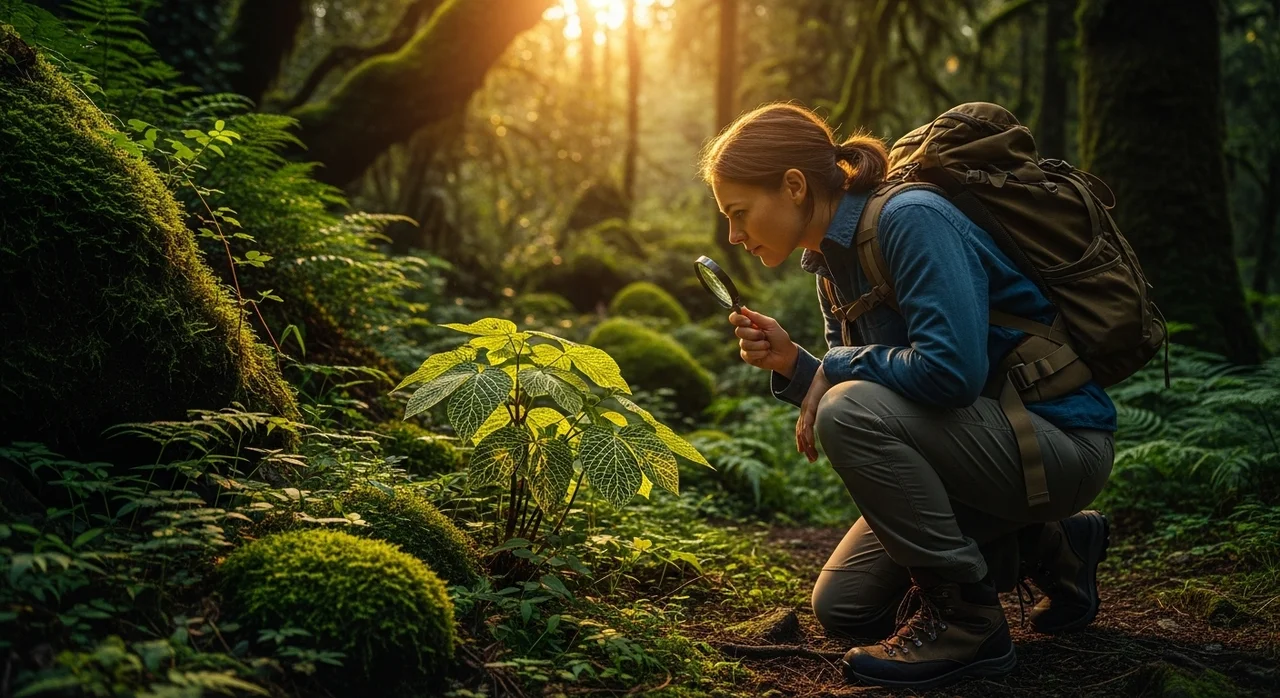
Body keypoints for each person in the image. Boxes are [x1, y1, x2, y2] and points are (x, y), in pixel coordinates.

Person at [699, 102, 1116, 691]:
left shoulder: (911, 220)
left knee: (848, 410)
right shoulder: (827, 266)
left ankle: (968, 623)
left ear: (793, 186)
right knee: (844, 609)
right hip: (984, 446)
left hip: (1056, 440)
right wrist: (796, 365)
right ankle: (1055, 545)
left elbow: (949, 375)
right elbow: (885, 386)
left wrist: (835, 368)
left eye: (739, 213)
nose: (734, 235)